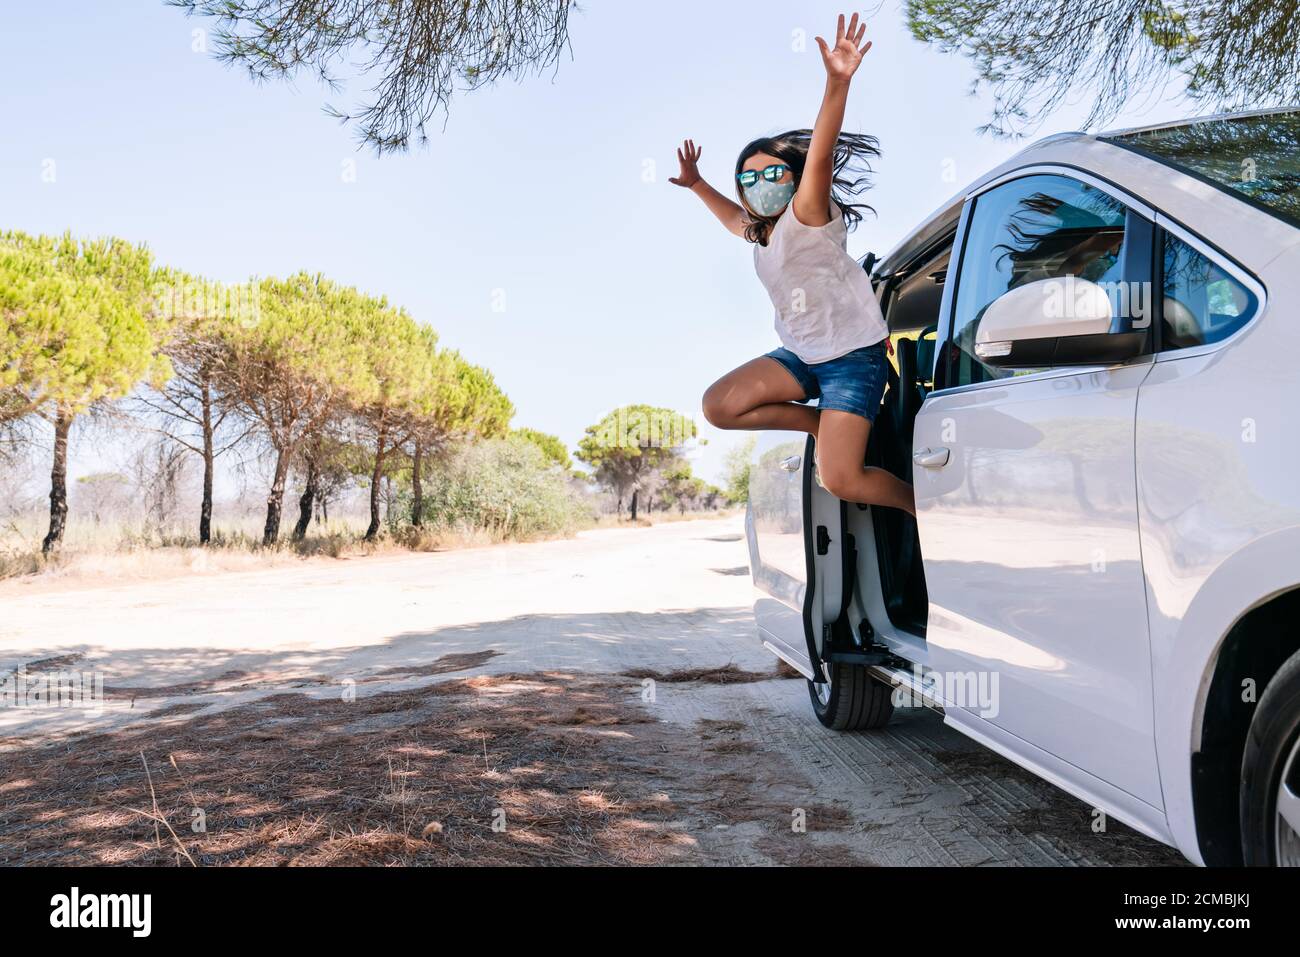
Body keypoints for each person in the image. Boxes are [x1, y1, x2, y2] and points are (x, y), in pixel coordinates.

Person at [672, 12, 914, 515]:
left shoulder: (808, 212)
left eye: (773, 172)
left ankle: (923, 511)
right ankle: (814, 421)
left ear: (795, 177)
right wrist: (697, 185)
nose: (760, 184)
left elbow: (822, 154)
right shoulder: (762, 232)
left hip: (852, 357)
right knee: (719, 406)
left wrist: (837, 83)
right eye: (749, 178)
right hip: (802, 355)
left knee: (843, 480)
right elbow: (731, 219)